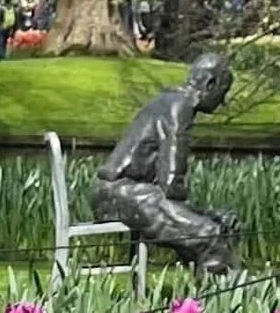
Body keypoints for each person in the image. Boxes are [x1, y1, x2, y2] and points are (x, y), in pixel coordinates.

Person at [92, 50, 241, 272]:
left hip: (124, 193)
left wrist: (204, 213)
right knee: (210, 235)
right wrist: (203, 215)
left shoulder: (169, 100)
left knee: (217, 226)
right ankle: (219, 300)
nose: (223, 102)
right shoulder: (180, 108)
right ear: (210, 83)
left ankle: (200, 299)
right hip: (122, 195)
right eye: (223, 91)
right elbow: (172, 184)